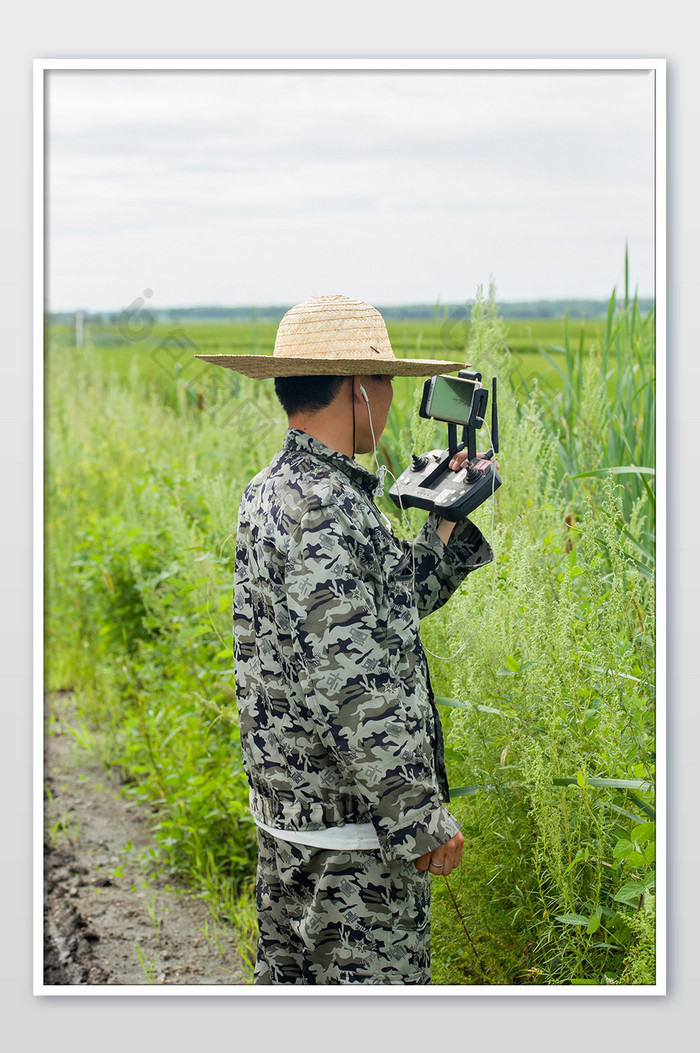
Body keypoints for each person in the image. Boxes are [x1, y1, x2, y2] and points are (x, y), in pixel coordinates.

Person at [196, 294, 495, 984]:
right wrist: (419, 818)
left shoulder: (273, 490)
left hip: (290, 829)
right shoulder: (329, 507)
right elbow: (353, 685)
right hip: (353, 849)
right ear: (360, 389)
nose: (391, 401)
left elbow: (379, 610)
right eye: (386, 382)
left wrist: (445, 523)